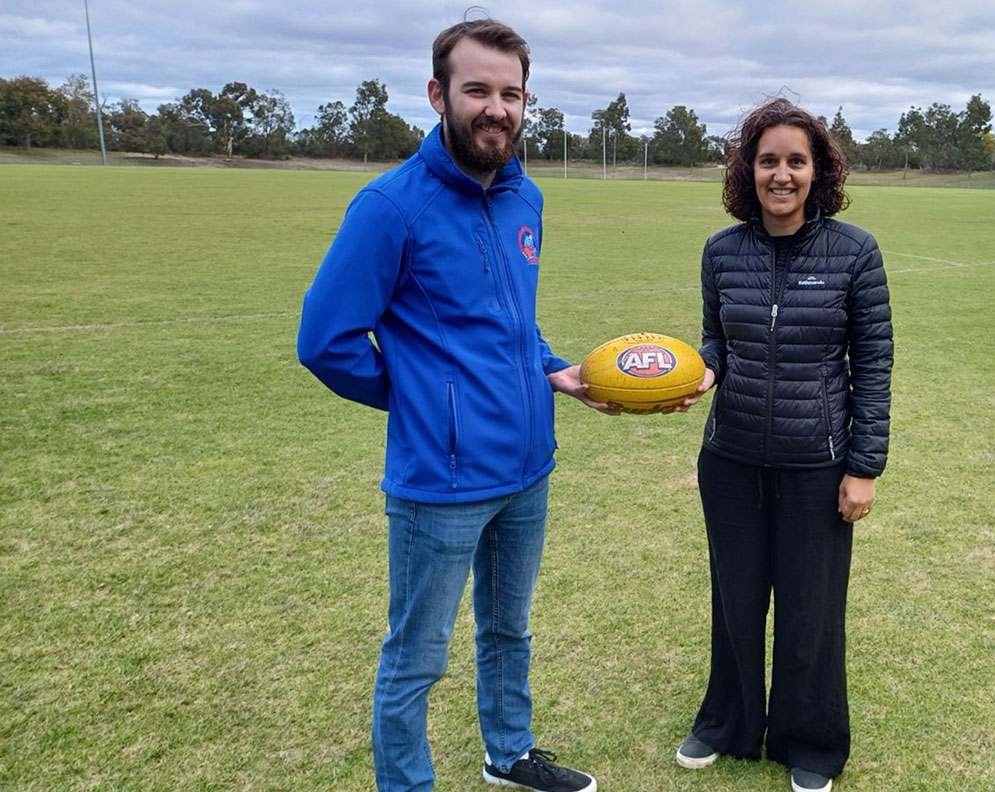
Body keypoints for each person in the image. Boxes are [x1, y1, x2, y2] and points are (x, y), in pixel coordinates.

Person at [296, 18, 607, 792]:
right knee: (416, 657)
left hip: (529, 465)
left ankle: (510, 754)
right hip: (441, 482)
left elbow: (512, 324)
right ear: (439, 94)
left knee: (509, 629)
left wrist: (553, 371)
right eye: (477, 90)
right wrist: (432, 404)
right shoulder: (390, 206)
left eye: (511, 93)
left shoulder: (526, 196)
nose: (495, 108)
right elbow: (325, 340)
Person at [673, 98, 893, 792]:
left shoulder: (855, 252)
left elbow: (874, 364)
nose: (781, 174)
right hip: (731, 459)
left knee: (811, 611)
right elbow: (716, 339)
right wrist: (700, 372)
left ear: (817, 170)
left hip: (816, 463)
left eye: (796, 161)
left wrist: (863, 467)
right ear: (749, 169)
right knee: (735, 599)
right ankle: (727, 722)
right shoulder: (720, 251)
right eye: (768, 160)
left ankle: (811, 742)